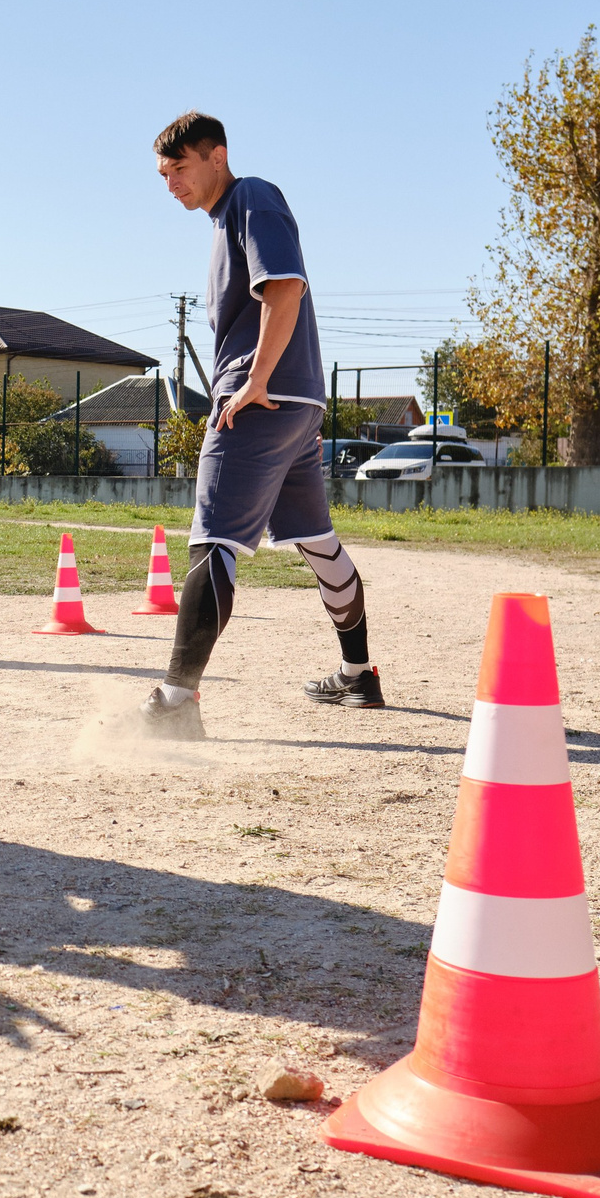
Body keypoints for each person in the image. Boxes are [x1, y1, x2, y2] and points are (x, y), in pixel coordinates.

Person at [137, 112, 377, 741]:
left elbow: (286, 287)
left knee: (213, 542)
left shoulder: (252, 197)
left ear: (217, 155)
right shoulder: (227, 217)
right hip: (293, 406)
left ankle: (175, 700)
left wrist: (257, 382)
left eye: (180, 169)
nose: (171, 185)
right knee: (317, 539)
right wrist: (293, 401)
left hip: (259, 401)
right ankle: (358, 674)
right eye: (164, 175)